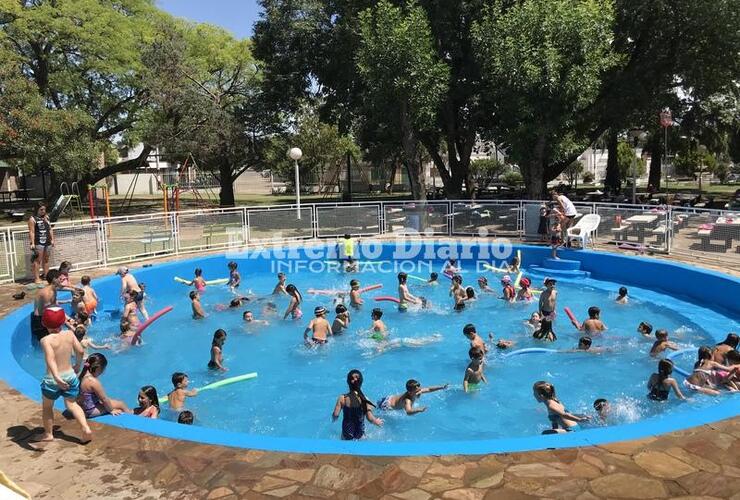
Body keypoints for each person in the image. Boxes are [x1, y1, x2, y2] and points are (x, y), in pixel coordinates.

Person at [36, 306, 92, 443]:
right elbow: (80, 351)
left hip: (53, 380)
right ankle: (85, 428)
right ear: (62, 322)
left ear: (44, 323)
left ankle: (49, 434)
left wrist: (56, 377)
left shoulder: (46, 340)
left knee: (48, 406)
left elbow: (51, 359)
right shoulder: (69, 334)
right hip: (70, 376)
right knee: (72, 404)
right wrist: (78, 366)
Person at [331, 370, 383, 440]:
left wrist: (334, 419)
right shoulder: (365, 399)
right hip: (360, 433)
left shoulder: (342, 398)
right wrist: (376, 421)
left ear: (348, 382)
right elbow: (369, 418)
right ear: (361, 382)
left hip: (346, 433)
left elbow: (336, 414)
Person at [77, 353, 130, 418]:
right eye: (103, 369)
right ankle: (133, 420)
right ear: (98, 368)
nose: (103, 372)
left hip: (80, 407)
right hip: (90, 411)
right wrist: (111, 410)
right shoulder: (93, 381)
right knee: (121, 404)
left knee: (112, 402)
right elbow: (104, 399)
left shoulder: (81, 375)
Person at [376, 379, 448, 415]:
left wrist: (441, 387)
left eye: (419, 388)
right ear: (410, 392)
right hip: (386, 405)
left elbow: (429, 389)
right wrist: (419, 409)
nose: (419, 391)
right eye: (417, 391)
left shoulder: (417, 391)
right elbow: (408, 411)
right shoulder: (408, 400)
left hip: (390, 398)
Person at [31, 269, 61, 345]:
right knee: (45, 343)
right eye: (59, 279)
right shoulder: (47, 292)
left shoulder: (53, 290)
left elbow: (54, 305)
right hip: (40, 320)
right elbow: (47, 310)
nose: (61, 281)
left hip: (46, 317)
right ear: (54, 279)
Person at [28, 202, 54, 284]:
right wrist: (32, 243)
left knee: (46, 260)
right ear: (37, 209)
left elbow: (50, 229)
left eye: (44, 209)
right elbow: (31, 232)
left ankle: (47, 276)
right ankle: (37, 278)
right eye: (41, 209)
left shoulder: (47, 217)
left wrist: (52, 239)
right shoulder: (32, 219)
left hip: (47, 241)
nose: (43, 211)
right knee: (37, 260)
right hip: (39, 242)